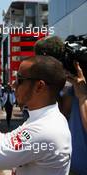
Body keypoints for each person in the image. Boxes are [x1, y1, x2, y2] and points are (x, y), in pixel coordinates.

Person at [35, 36, 87, 175]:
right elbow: (63, 113)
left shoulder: (81, 91)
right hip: (71, 167)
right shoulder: (76, 86)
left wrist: (83, 97)